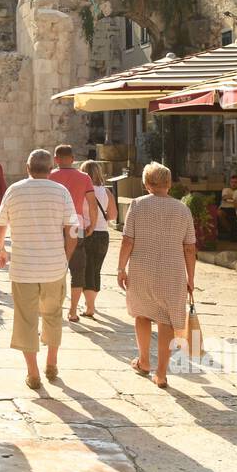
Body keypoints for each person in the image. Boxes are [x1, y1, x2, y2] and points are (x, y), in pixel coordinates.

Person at [0, 149, 80, 389]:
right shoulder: (61, 192)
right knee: (53, 315)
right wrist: (66, 257)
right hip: (54, 267)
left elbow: (0, 226)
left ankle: (33, 372)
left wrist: (0, 250)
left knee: (25, 319)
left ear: (27, 167)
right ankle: (51, 362)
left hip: (23, 268)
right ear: (50, 169)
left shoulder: (15, 190)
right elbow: (73, 229)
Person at [116, 162, 196, 389]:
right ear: (169, 184)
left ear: (146, 183)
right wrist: (191, 277)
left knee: (141, 314)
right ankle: (161, 373)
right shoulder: (183, 209)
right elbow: (190, 247)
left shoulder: (137, 205)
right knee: (166, 320)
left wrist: (121, 268)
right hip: (172, 272)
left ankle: (143, 361)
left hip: (142, 269)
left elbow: (127, 240)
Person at [50, 144, 96, 324]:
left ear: (56, 159)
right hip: (76, 223)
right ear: (73, 159)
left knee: (53, 266)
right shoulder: (84, 177)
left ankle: (54, 307)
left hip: (55, 222)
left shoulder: (50, 176)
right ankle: (73, 311)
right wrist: (91, 223)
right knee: (78, 268)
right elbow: (92, 203)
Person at [75, 161, 117, 319]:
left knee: (86, 269)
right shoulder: (106, 192)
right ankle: (91, 304)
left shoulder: (82, 191)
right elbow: (113, 216)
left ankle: (90, 307)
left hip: (85, 232)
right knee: (96, 269)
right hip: (103, 234)